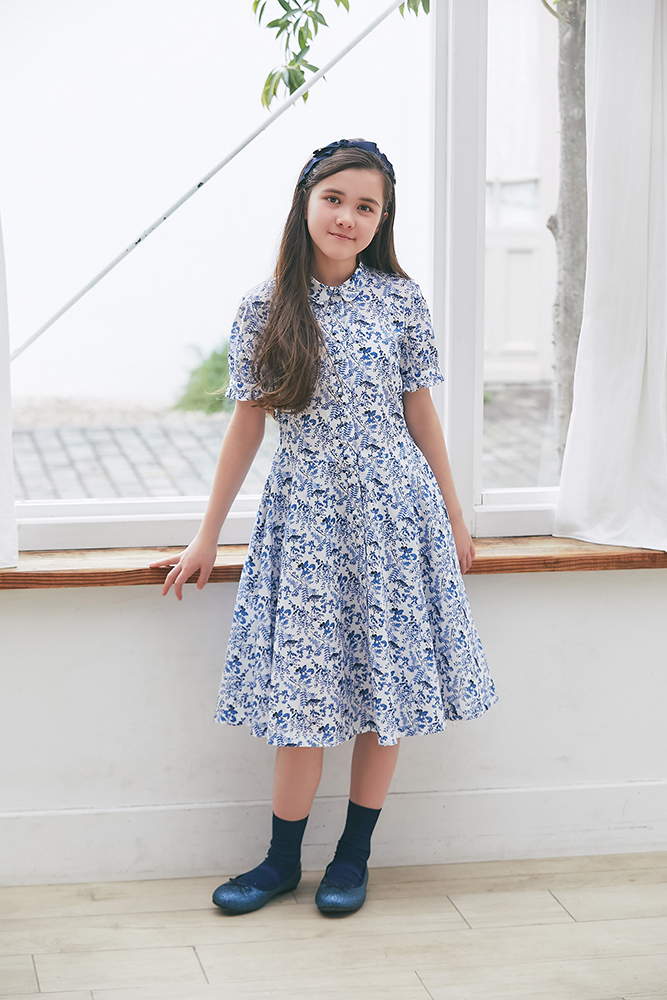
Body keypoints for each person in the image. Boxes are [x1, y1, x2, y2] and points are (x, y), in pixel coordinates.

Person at [151, 138, 497, 917]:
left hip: (396, 516)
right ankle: (280, 864)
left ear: (381, 220)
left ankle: (351, 859)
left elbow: (420, 412)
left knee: (385, 693)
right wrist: (207, 535)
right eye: (334, 199)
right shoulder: (263, 306)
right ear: (305, 203)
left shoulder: (400, 300)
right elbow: (246, 425)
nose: (347, 217)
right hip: (306, 519)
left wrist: (452, 515)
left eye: (365, 206)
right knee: (302, 703)